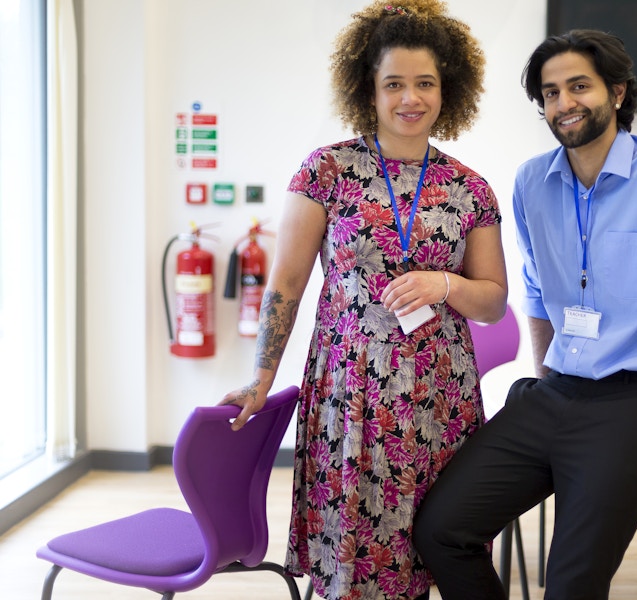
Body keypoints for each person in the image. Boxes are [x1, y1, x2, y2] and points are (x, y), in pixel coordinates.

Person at [413, 29, 637, 599]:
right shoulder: (531, 181)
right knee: (442, 531)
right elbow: (538, 292)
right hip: (558, 392)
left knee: (570, 585)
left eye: (579, 86)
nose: (563, 103)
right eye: (549, 93)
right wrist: (546, 381)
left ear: (617, 92)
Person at [219, 2, 508, 599]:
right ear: (367, 90)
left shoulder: (469, 188)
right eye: (393, 83)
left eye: (425, 83)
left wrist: (445, 285)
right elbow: (286, 286)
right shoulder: (326, 171)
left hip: (439, 398)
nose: (411, 97)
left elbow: (493, 302)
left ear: (446, 89)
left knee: (430, 549)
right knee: (354, 557)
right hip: (352, 394)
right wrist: (259, 377)